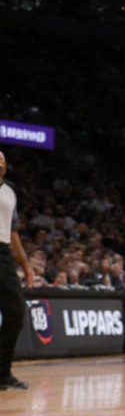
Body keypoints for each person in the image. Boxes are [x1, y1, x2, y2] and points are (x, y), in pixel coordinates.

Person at [0, 150, 36, 390]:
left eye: (2, 158)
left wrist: (25, 265)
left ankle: (2, 373)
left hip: (2, 253)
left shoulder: (9, 192)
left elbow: (12, 234)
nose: (0, 161)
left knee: (15, 311)